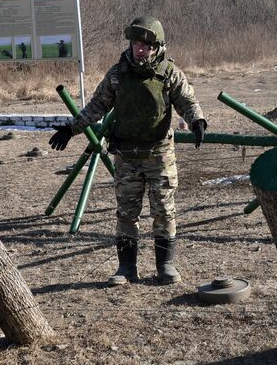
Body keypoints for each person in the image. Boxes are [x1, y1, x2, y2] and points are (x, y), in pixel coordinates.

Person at [49, 16, 207, 286]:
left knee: (164, 211)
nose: (140, 49)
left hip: (159, 155)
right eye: (136, 43)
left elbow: (187, 99)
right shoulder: (116, 75)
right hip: (127, 156)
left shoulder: (168, 73)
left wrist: (197, 121)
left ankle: (166, 266)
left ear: (156, 47)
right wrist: (71, 129)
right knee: (126, 213)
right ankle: (126, 268)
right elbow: (96, 106)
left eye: (146, 45)